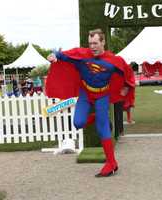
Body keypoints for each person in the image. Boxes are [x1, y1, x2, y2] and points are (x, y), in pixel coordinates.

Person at [46, 28, 135, 177]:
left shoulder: (114, 60)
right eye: (90, 43)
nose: (92, 46)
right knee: (78, 123)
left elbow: (127, 73)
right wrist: (54, 56)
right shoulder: (81, 55)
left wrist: (126, 87)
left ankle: (112, 163)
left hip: (103, 95)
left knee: (102, 129)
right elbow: (63, 55)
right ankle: (100, 119)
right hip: (85, 93)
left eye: (95, 43)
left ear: (103, 42)